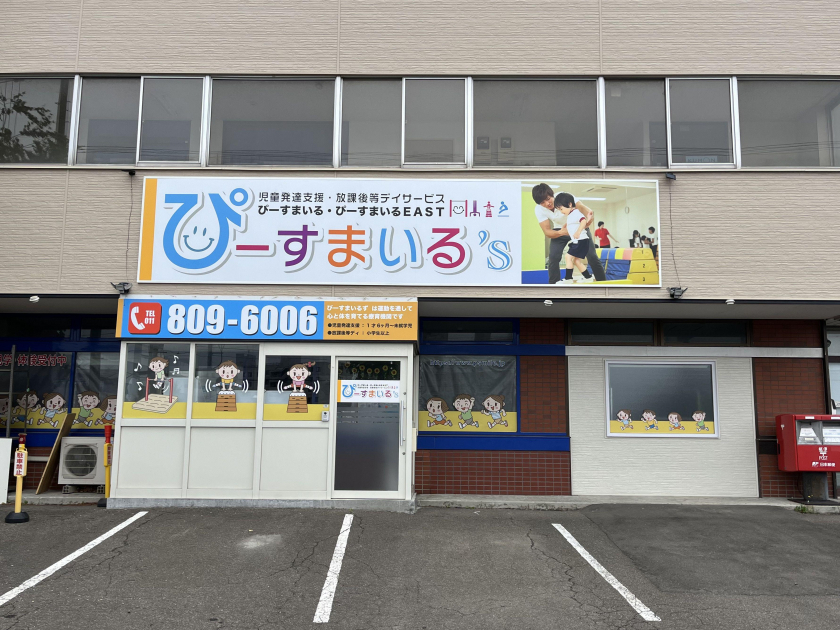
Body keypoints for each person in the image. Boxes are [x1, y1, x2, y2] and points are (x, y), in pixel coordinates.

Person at [531, 183, 606, 284]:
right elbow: (547, 231)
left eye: (548, 199)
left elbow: (580, 206)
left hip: (577, 227)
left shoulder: (563, 196)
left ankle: (603, 283)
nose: (547, 203)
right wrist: (561, 232)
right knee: (553, 258)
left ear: (552, 194)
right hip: (560, 230)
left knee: (592, 256)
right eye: (542, 202)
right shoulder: (539, 209)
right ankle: (554, 286)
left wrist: (588, 212)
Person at [554, 192, 595, 284]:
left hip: (581, 240)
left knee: (568, 257)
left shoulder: (576, 212)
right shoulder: (571, 215)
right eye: (559, 210)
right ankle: (588, 277)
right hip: (579, 241)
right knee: (576, 261)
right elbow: (577, 223)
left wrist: (578, 232)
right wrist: (567, 226)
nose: (561, 211)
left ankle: (568, 278)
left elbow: (583, 221)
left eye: (561, 209)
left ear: (569, 204)